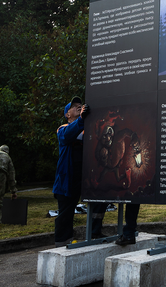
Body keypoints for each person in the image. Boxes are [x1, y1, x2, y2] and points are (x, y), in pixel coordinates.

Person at [52, 97, 107, 244]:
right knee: (66, 211)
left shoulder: (87, 129)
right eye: (74, 106)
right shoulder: (62, 129)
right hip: (68, 178)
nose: (78, 106)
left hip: (87, 177)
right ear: (67, 114)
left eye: (80, 105)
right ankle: (63, 243)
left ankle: (95, 232)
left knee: (100, 200)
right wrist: (82, 119)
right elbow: (69, 134)